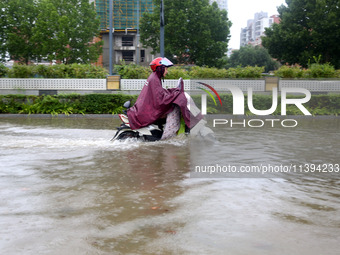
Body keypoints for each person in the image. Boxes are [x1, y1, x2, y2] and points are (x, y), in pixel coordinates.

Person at [127, 57, 203, 140]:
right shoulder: (155, 79)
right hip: (146, 112)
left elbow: (160, 93)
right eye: (166, 69)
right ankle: (168, 137)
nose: (167, 71)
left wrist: (174, 91)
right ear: (161, 68)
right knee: (173, 110)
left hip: (143, 109)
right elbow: (161, 100)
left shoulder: (154, 77)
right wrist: (176, 93)